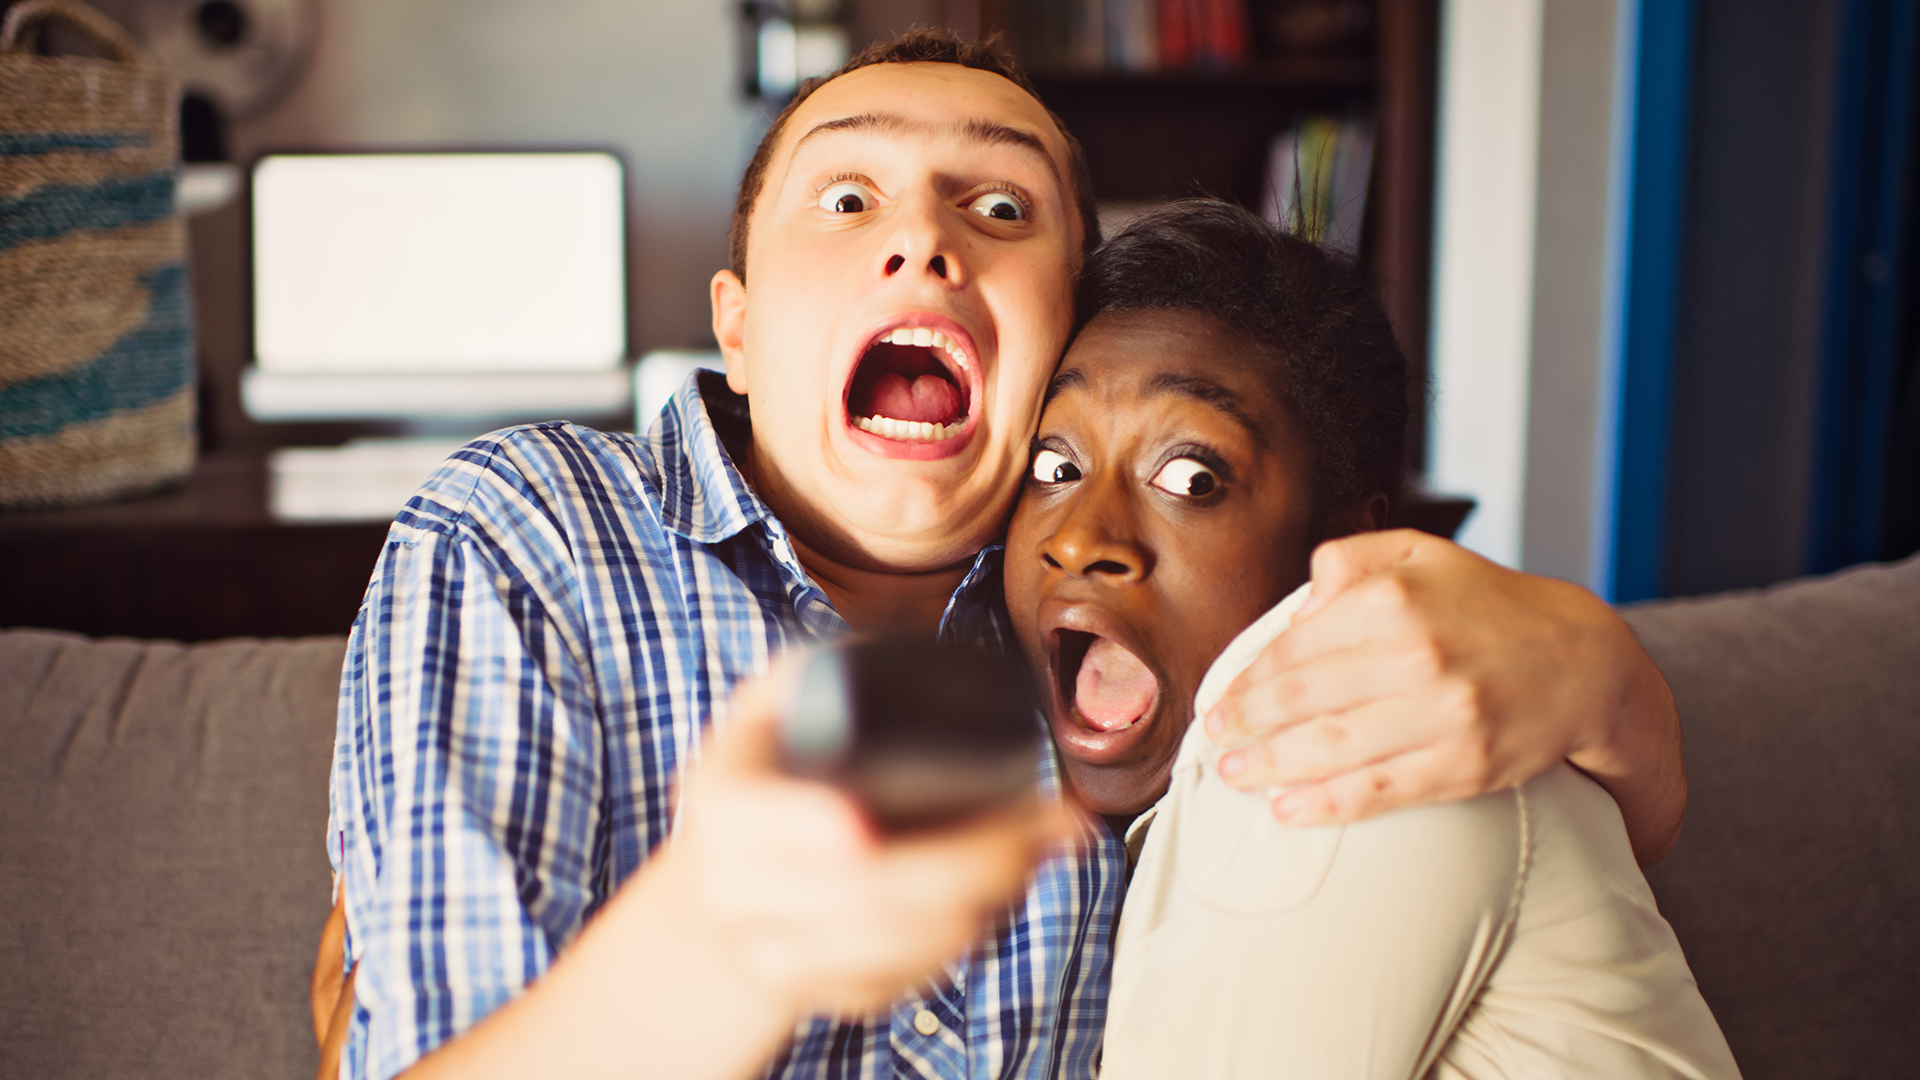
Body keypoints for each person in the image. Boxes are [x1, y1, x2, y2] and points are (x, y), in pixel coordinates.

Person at [316, 29, 1691, 1080]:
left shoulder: (1117, 649)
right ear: (735, 325)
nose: (922, 240)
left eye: (1000, 210)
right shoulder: (538, 529)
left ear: (1060, 329)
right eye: (845, 199)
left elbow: (1489, 859)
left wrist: (1606, 677)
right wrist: (718, 943)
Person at [1002, 199, 1737, 1078]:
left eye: (1192, 478)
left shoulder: (1346, 745)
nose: (1081, 538)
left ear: (1346, 544)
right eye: (1055, 466)